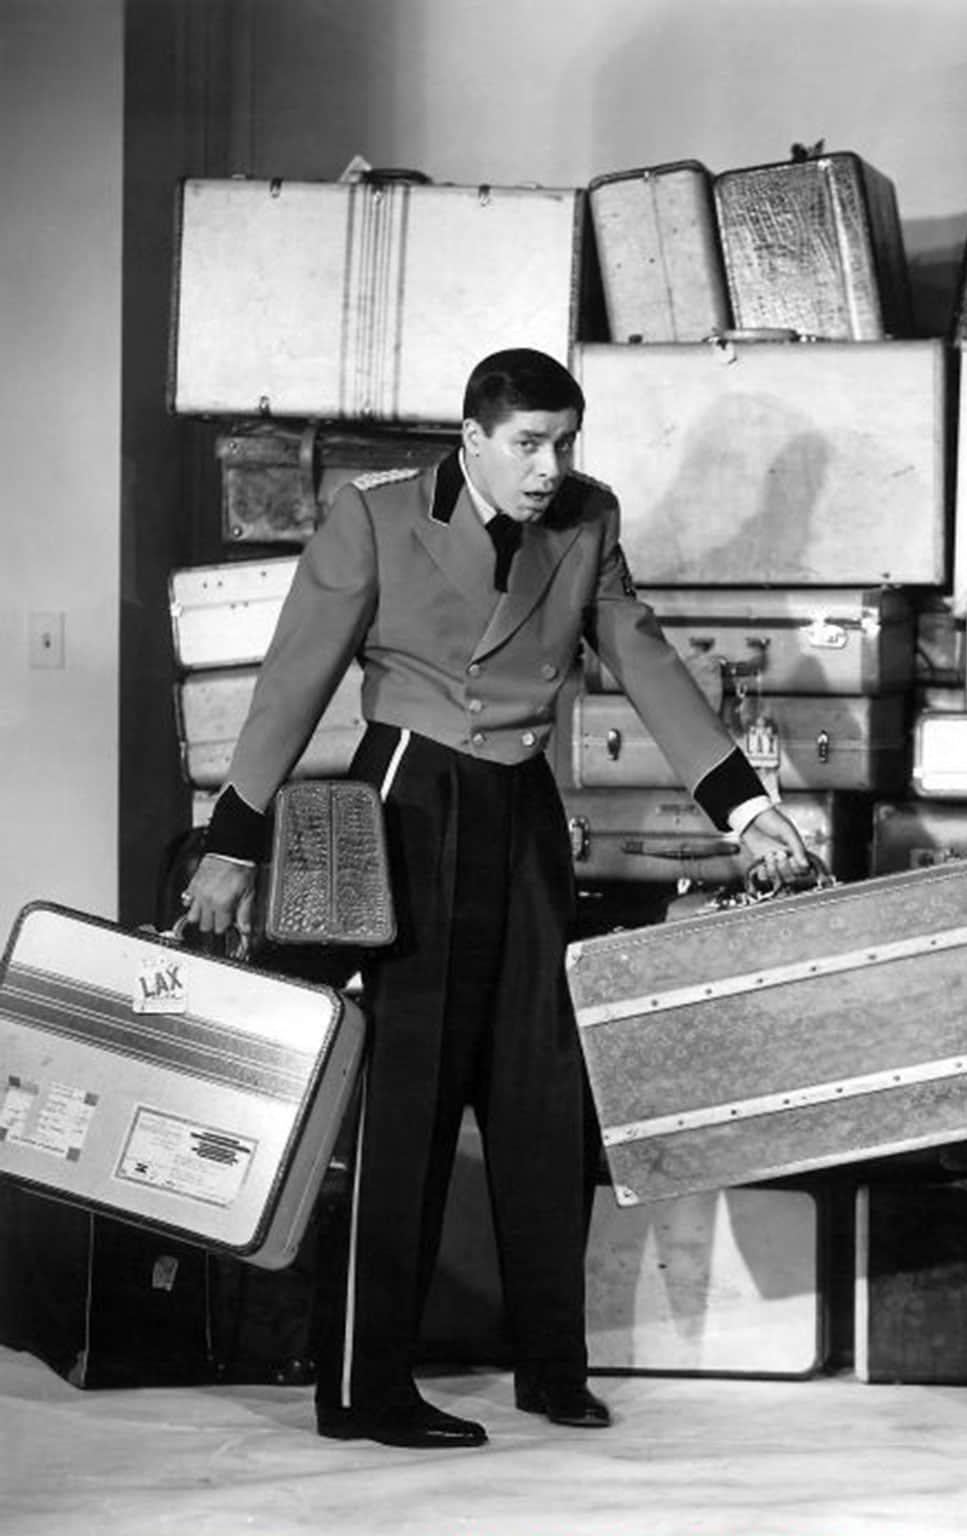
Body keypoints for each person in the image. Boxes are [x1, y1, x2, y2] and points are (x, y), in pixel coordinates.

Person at [182, 348, 810, 1449]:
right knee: (408, 1103)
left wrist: (744, 808)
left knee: (543, 1091)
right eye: (527, 444)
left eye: (564, 442)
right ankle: (363, 1389)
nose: (548, 466)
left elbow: (643, 660)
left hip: (521, 810)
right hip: (406, 803)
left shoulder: (587, 518)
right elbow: (295, 678)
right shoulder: (374, 517)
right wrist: (231, 843)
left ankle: (551, 1369)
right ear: (470, 439)